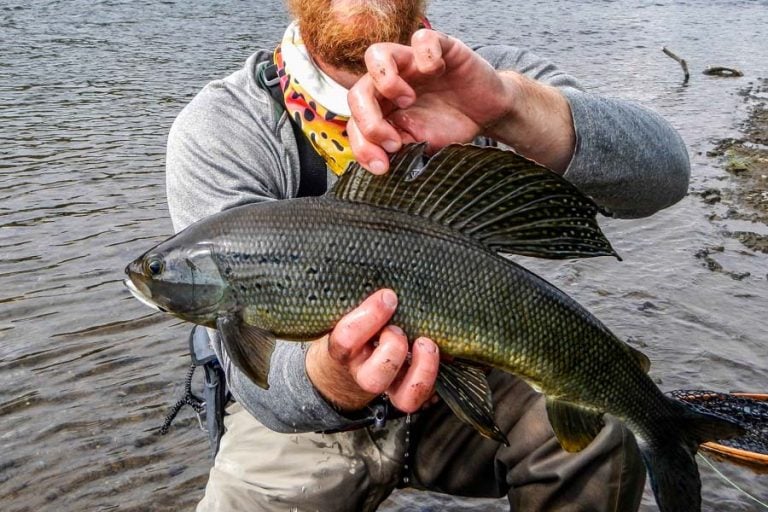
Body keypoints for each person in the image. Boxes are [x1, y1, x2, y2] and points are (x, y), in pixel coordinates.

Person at [165, 1, 691, 510]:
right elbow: (259, 389)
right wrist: (334, 377)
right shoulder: (226, 126)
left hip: (469, 374)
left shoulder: (488, 77)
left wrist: (510, 108)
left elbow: (662, 178)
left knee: (598, 434)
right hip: (303, 424)